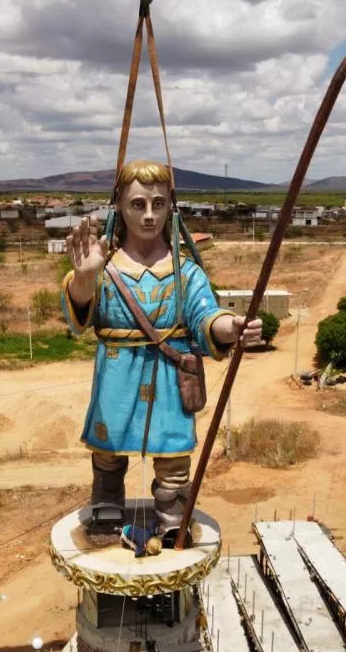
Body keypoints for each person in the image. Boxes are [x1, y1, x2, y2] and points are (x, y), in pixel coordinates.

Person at [60, 159, 262, 538]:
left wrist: (231, 327)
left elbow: (205, 314)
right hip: (117, 376)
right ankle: (106, 509)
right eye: (138, 204)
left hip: (170, 378)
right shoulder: (104, 267)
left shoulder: (186, 272)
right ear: (120, 206)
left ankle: (172, 519)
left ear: (171, 206)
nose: (149, 215)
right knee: (108, 454)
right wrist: (85, 277)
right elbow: (79, 317)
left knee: (173, 460)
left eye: (158, 204)